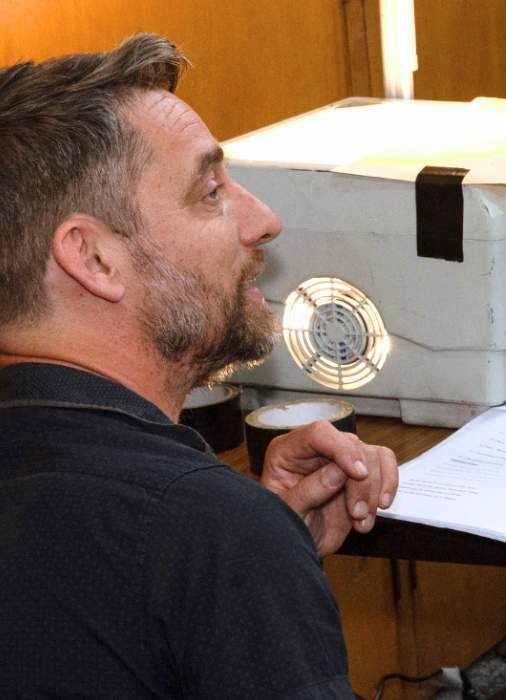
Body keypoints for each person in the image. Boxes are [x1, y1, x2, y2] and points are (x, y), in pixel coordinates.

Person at [0, 34, 399, 697]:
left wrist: (243, 564)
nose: (263, 220)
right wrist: (234, 548)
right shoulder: (204, 532)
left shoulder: (195, 534)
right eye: (210, 190)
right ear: (94, 258)